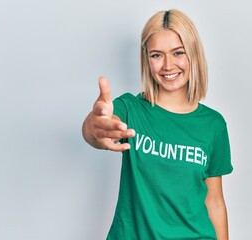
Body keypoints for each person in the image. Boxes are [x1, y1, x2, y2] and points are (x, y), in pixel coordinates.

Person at [82, 9, 233, 240]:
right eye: (157, 55)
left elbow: (214, 202)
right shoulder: (130, 109)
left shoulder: (213, 125)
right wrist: (96, 126)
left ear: (193, 54)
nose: (168, 65)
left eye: (178, 53)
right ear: (147, 59)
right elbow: (98, 129)